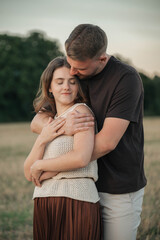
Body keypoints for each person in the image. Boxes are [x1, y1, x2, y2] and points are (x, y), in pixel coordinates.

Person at [31, 24, 147, 240]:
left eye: (79, 70)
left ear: (101, 59)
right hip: (84, 187)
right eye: (70, 64)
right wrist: (63, 127)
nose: (73, 72)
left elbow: (106, 143)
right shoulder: (75, 72)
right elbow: (38, 120)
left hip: (117, 186)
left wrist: (52, 169)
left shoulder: (126, 79)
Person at [24, 56, 101, 240]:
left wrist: (42, 166)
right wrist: (43, 139)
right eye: (59, 82)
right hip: (45, 200)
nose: (66, 87)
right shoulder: (49, 122)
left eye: (72, 82)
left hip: (76, 199)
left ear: (78, 87)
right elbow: (29, 172)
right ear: (49, 87)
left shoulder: (81, 112)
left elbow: (81, 158)